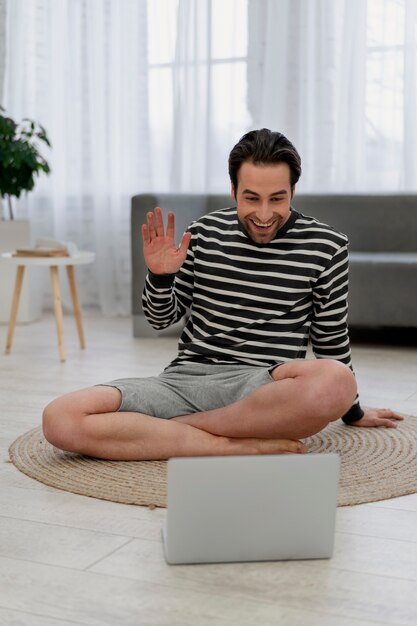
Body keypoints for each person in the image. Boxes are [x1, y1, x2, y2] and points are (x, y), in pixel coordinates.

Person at [42, 129, 403, 460]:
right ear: (233, 191)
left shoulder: (326, 245)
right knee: (60, 419)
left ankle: (171, 434)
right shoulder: (202, 233)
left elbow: (330, 337)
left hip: (266, 389)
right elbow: (159, 319)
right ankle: (223, 444)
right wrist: (160, 276)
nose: (264, 215)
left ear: (293, 190)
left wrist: (352, 411)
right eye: (251, 198)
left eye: (277, 198)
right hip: (185, 382)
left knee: (336, 381)